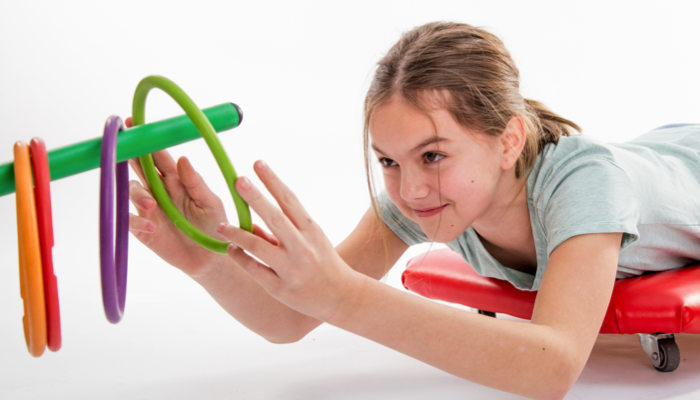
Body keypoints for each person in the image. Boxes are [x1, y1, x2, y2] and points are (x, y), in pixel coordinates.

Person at [126, 22, 700, 399]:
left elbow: (552, 367)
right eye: (389, 161)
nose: (411, 190)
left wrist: (344, 295)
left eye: (432, 155)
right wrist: (210, 260)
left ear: (507, 140)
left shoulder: (583, 183)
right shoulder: (420, 201)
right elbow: (289, 319)